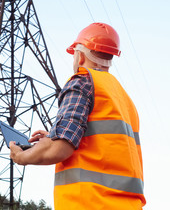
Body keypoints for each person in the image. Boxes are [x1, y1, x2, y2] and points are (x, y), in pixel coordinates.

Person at [10, 22, 146, 209]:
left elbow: (61, 148)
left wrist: (21, 157)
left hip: (88, 203)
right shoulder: (123, 98)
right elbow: (103, 148)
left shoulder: (82, 81)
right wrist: (52, 137)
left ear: (80, 56)